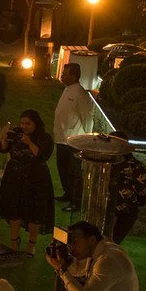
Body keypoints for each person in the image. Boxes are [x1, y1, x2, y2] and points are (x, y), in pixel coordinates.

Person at [46, 220, 139, 291]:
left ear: (91, 240)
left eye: (75, 242)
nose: (71, 247)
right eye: (69, 242)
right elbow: (79, 270)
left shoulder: (107, 260)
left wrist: (61, 270)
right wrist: (63, 260)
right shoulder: (103, 247)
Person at [0, 109, 55, 252]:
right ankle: (14, 242)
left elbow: (42, 156)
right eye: (22, 123)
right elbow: (3, 150)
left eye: (28, 124)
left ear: (36, 124)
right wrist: (4, 141)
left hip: (36, 178)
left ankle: (31, 245)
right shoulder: (16, 133)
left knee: (35, 214)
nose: (24, 126)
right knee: (14, 211)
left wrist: (29, 143)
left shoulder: (44, 138)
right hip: (14, 177)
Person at [53, 62, 94, 211]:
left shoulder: (80, 93)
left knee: (74, 172)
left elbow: (87, 117)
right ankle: (68, 193)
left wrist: (86, 140)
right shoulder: (67, 90)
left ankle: (76, 201)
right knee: (63, 168)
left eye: (65, 74)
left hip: (74, 140)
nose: (62, 76)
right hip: (61, 138)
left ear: (74, 76)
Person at [107, 131, 146, 243]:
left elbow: (144, 193)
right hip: (113, 210)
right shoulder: (136, 166)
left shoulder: (135, 167)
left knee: (111, 242)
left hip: (124, 213)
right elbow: (144, 193)